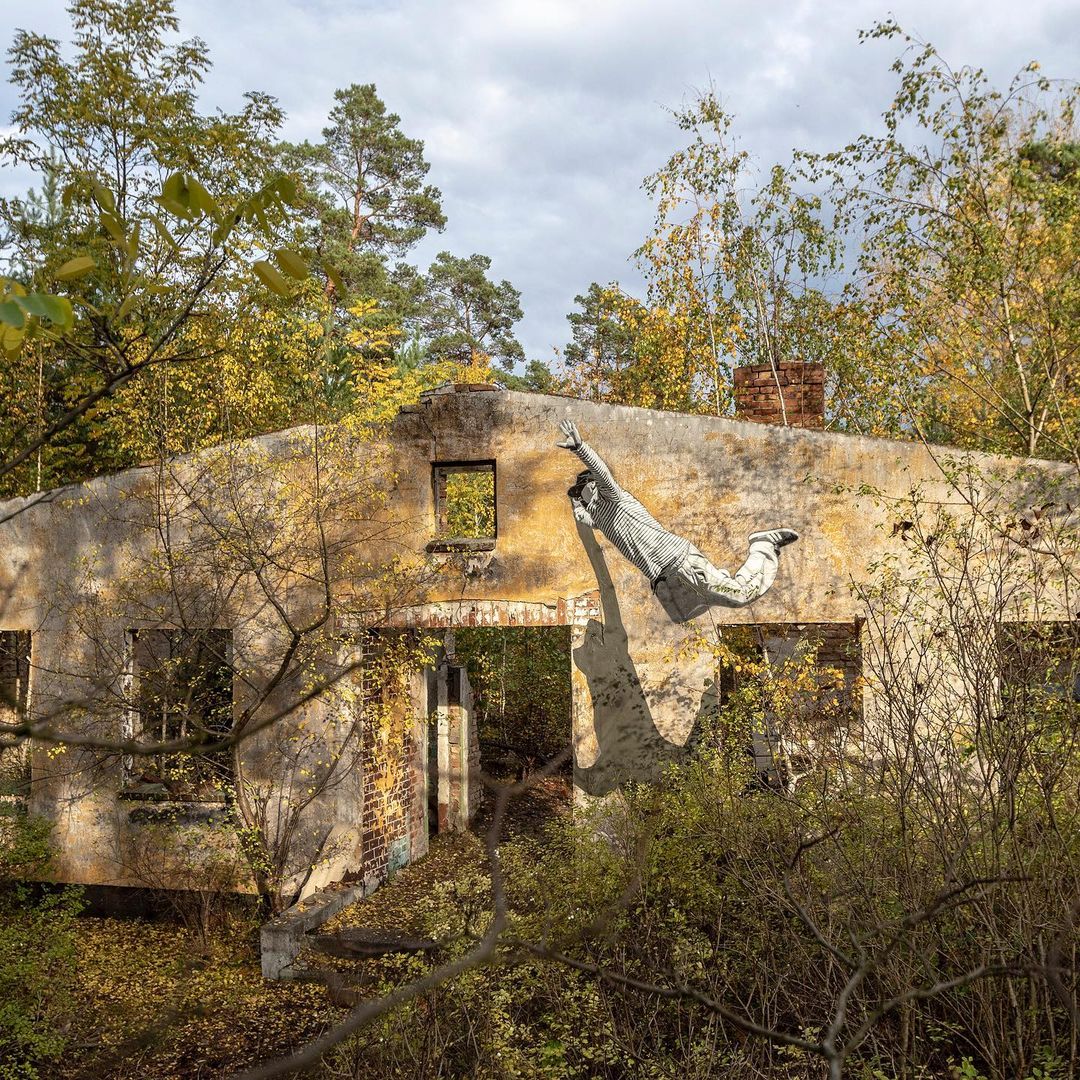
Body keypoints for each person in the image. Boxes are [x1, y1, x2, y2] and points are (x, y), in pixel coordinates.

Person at [556, 419, 798, 608]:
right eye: (578, 493)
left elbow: (602, 473)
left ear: (592, 485)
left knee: (741, 595)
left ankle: (763, 546)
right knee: (724, 597)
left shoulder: (613, 497)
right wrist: (575, 503)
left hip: (680, 563)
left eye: (582, 488)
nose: (581, 494)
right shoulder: (599, 516)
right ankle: (731, 570)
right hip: (668, 577)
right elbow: (584, 519)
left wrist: (580, 447)